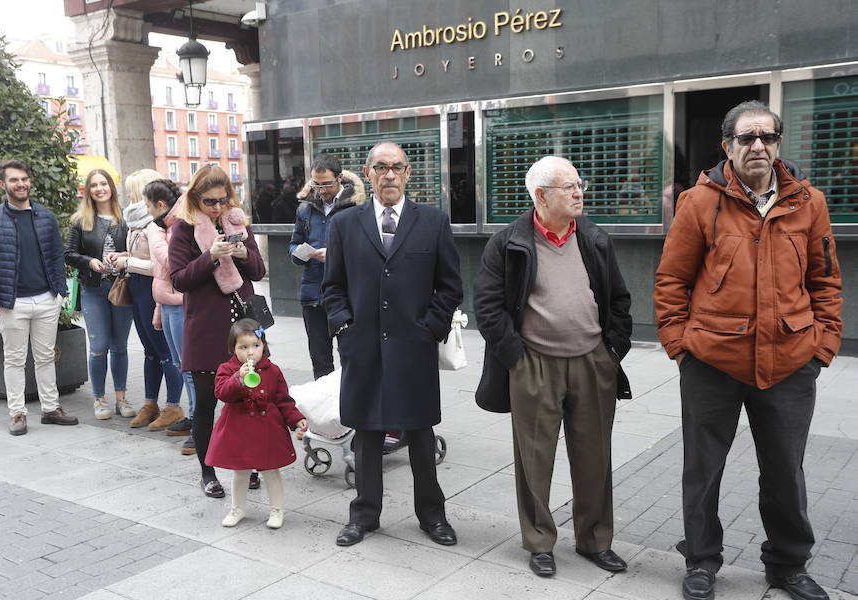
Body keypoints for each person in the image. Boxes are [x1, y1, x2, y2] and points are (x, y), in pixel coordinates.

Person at [654, 101, 842, 600]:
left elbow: (825, 281)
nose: (756, 145)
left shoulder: (809, 203)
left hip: (790, 361)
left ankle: (788, 565)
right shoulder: (698, 202)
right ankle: (701, 561)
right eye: (746, 138)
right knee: (703, 467)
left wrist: (822, 347)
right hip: (712, 362)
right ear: (728, 147)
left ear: (778, 144)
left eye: (766, 136)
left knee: (785, 470)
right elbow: (671, 279)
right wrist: (680, 344)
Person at [474, 156, 633, 578]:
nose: (579, 192)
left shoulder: (595, 239)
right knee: (534, 459)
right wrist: (515, 358)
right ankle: (540, 541)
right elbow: (488, 308)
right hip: (533, 364)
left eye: (580, 184)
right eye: (569, 187)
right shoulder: (508, 242)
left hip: (592, 362)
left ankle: (595, 540)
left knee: (595, 456)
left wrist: (612, 350)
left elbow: (618, 299)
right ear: (541, 195)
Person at [323, 141, 463, 547]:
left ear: (408, 174)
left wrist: (429, 329)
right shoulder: (345, 225)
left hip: (413, 347)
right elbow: (332, 287)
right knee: (366, 434)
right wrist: (344, 329)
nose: (389, 175)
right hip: (363, 346)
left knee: (420, 433)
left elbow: (450, 286)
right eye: (381, 167)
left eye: (397, 167)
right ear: (367, 174)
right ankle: (364, 515)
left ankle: (433, 517)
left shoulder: (432, 222)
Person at [168, 164, 266, 498]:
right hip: (207, 328)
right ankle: (207, 471)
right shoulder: (184, 228)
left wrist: (243, 252)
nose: (218, 207)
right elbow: (179, 279)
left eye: (223, 199)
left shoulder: (236, 221)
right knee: (207, 403)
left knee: (248, 398)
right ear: (195, 198)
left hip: (243, 327)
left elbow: (258, 269)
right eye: (210, 201)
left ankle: (247, 463)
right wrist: (210, 256)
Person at [0, 159, 79, 435]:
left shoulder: (45, 216)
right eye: (14, 180)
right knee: (14, 359)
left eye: (24, 179)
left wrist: (60, 292)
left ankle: (50, 408)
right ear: (3, 184)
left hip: (47, 299)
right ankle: (17, 413)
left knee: (46, 356)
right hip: (12, 302)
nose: (20, 184)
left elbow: (57, 254)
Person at [207, 319, 307, 528]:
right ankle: (238, 508)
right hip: (239, 429)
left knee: (270, 470)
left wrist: (296, 418)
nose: (250, 352)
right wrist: (238, 379)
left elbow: (283, 400)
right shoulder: (227, 369)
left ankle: (277, 510)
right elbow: (221, 393)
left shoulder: (273, 370)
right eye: (243, 347)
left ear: (264, 346)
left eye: (255, 346)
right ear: (233, 349)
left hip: (267, 429)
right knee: (241, 471)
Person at [108, 169, 185, 431]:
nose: (129, 195)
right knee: (150, 351)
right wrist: (123, 256)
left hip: (155, 289)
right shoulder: (136, 221)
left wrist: (127, 261)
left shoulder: (158, 224)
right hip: (138, 288)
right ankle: (150, 403)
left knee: (166, 352)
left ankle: (173, 406)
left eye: (133, 190)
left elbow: (162, 265)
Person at [65, 169, 134, 420]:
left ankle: (121, 397)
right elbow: (68, 254)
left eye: (103, 183)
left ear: (111, 187)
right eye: (93, 185)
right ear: (88, 190)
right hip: (93, 288)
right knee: (99, 346)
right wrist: (90, 262)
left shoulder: (125, 218)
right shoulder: (80, 220)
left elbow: (136, 249)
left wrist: (125, 257)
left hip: (121, 286)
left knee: (119, 346)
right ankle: (99, 398)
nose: (99, 188)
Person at [288, 153, 364, 379]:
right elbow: (292, 246)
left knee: (352, 357)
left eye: (327, 184)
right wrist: (302, 253)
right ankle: (326, 411)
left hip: (346, 295)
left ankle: (351, 408)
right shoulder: (305, 208)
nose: (321, 190)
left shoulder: (357, 207)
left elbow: (366, 251)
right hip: (313, 293)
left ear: (340, 178)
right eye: (316, 184)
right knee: (320, 361)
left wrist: (334, 255)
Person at [143, 179, 197, 454]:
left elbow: (171, 263)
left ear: (161, 205)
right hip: (168, 303)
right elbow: (162, 275)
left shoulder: (177, 224)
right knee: (181, 365)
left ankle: (200, 426)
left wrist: (153, 238)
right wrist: (158, 308)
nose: (147, 212)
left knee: (189, 368)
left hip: (179, 303)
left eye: (148, 206)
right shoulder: (166, 224)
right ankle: (195, 418)